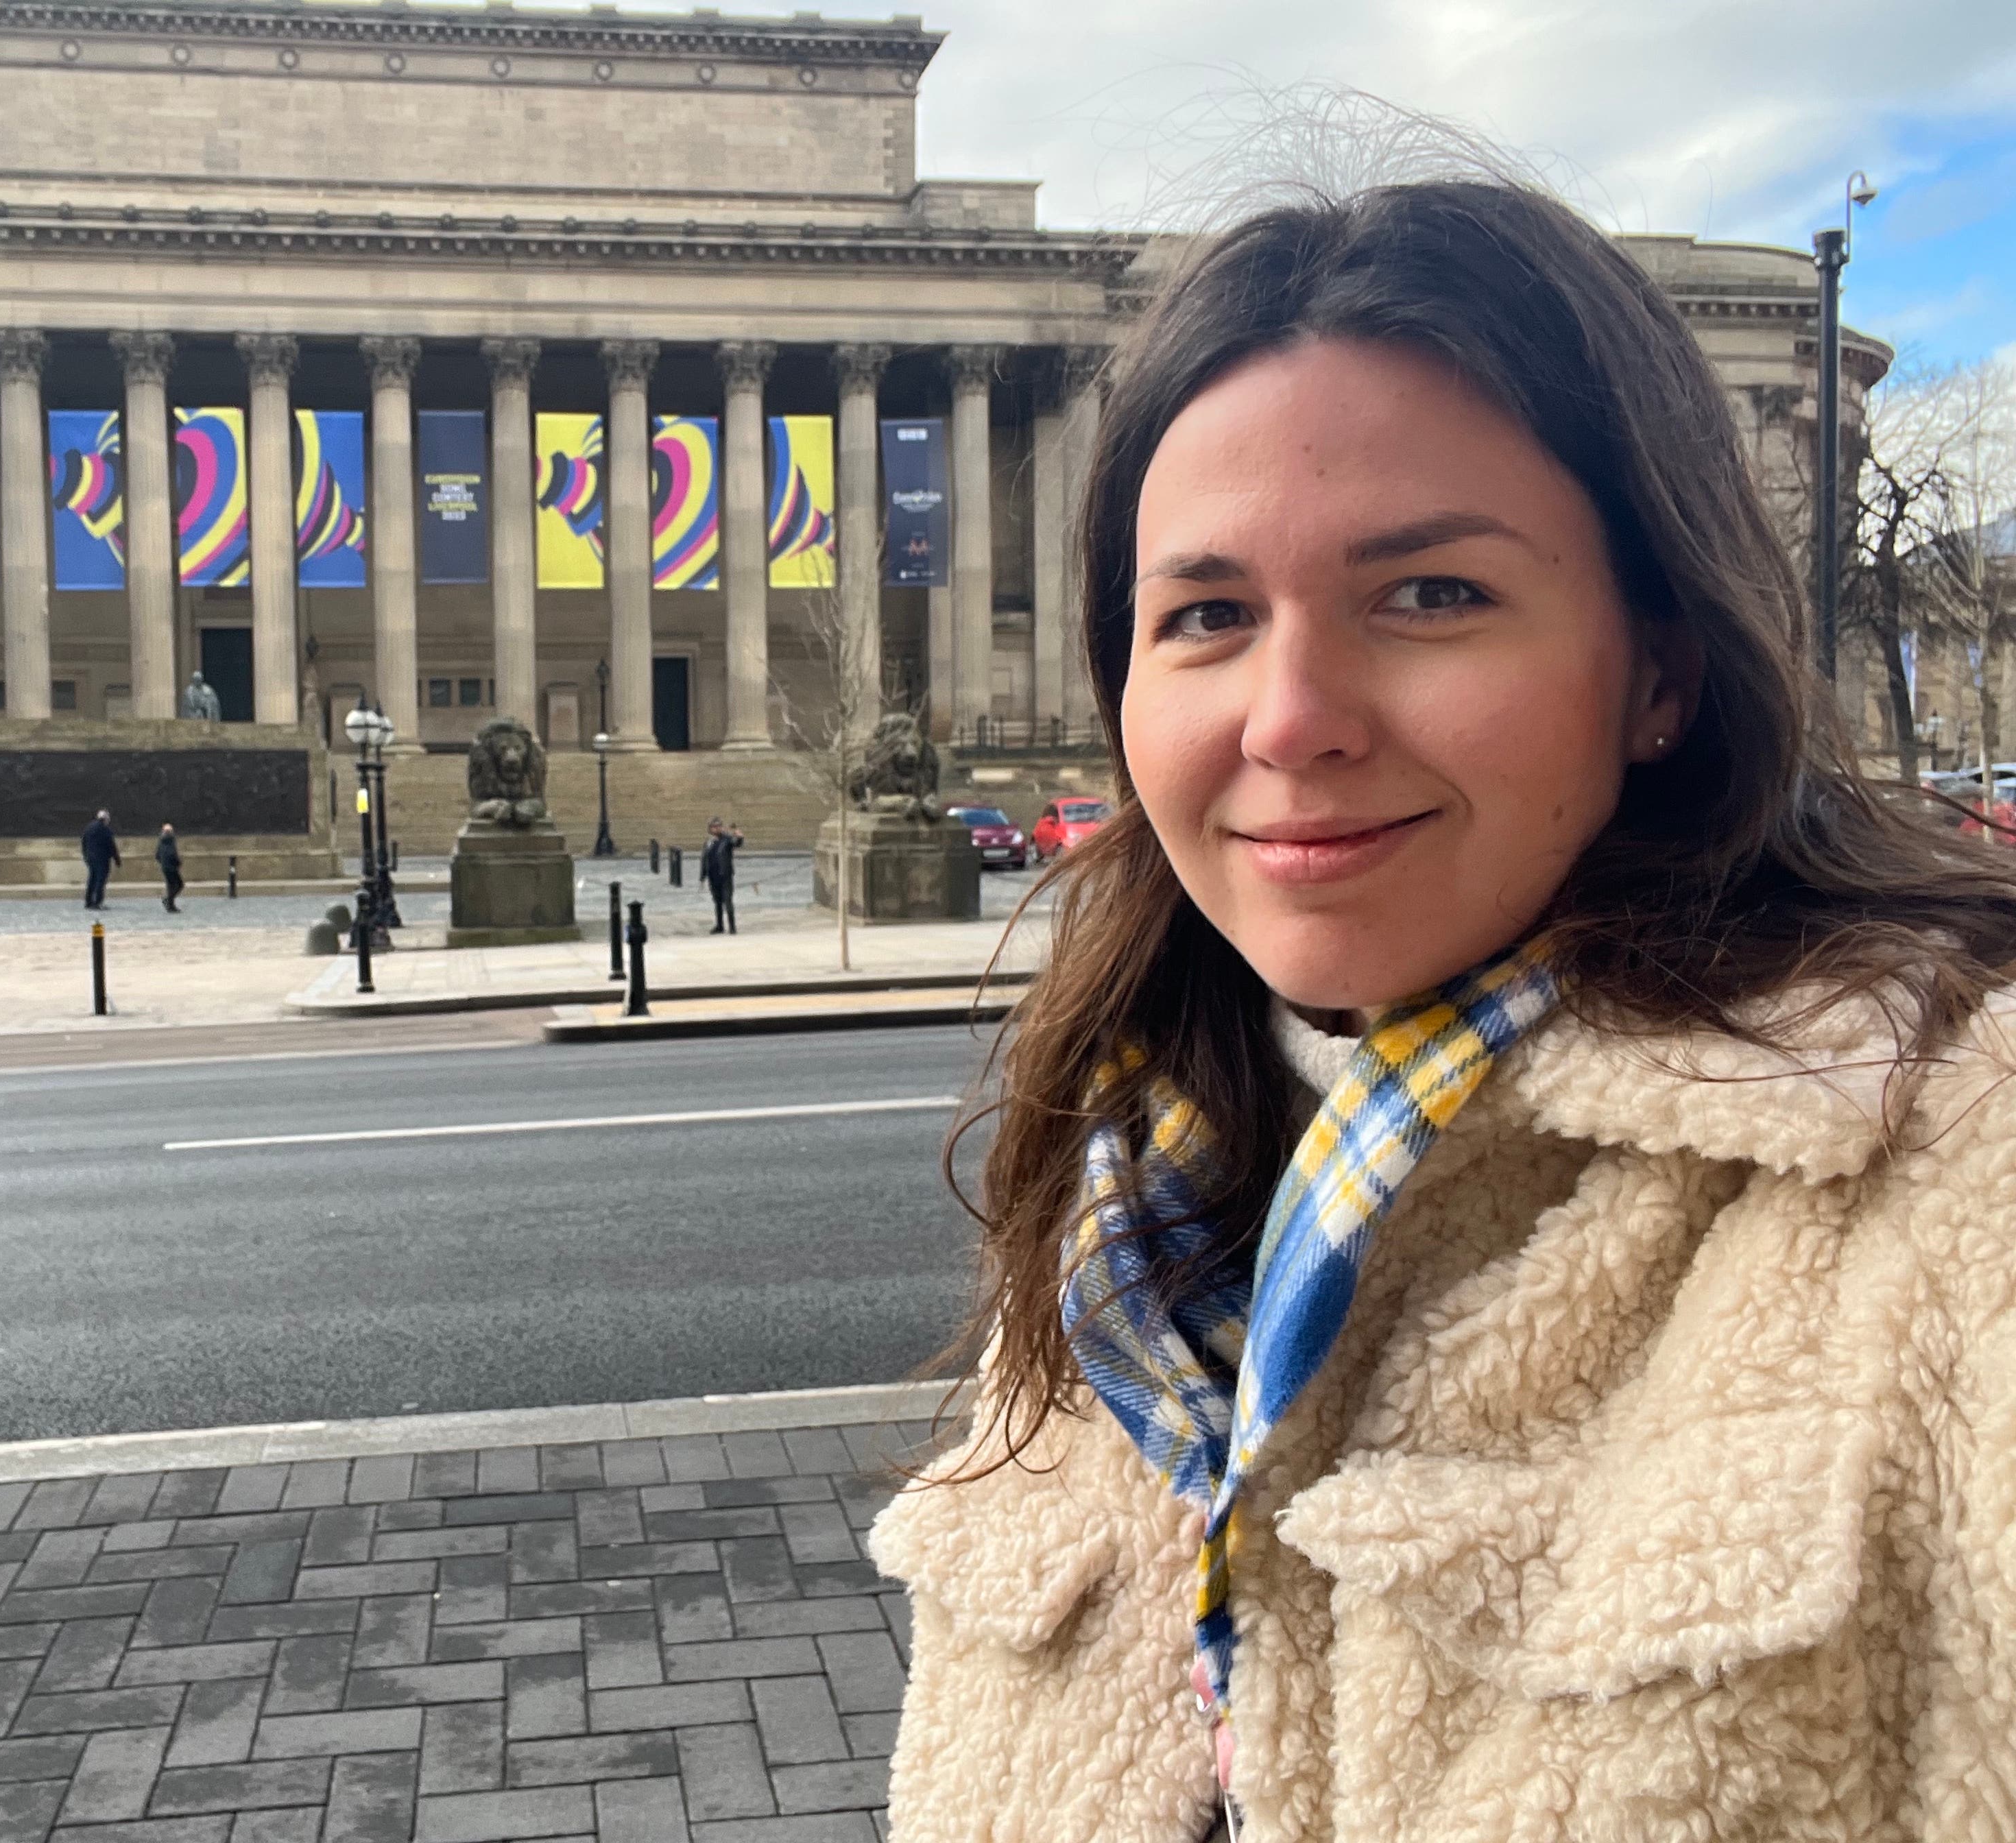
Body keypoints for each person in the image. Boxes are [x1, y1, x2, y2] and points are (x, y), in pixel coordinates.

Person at [871, 178, 2016, 1843]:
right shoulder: (1132, 1199)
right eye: (1206, 615)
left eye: (1431, 596)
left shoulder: (1965, 1178)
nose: (1291, 718)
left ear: (1664, 670)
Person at [701, 815, 742, 934]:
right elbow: (704, 859)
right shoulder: (708, 842)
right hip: (713, 877)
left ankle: (732, 927)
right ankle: (720, 926)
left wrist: (739, 838)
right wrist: (703, 876)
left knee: (728, 901)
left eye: (719, 826)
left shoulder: (727, 839)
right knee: (717, 902)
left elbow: (736, 843)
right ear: (710, 829)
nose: (717, 829)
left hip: (725, 876)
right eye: (714, 827)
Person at [80, 808, 119, 910]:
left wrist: (85, 856)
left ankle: (88, 902)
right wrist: (117, 860)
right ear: (106, 819)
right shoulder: (105, 829)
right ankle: (97, 902)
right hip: (102, 860)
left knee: (92, 880)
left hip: (90, 859)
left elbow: (84, 842)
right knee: (100, 881)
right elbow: (111, 846)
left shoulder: (88, 828)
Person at [155, 821, 184, 913]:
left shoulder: (161, 840)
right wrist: (178, 863)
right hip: (172, 867)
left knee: (171, 886)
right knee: (179, 884)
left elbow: (157, 855)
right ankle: (168, 900)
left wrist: (163, 863)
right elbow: (172, 854)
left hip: (165, 867)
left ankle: (171, 906)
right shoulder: (171, 840)